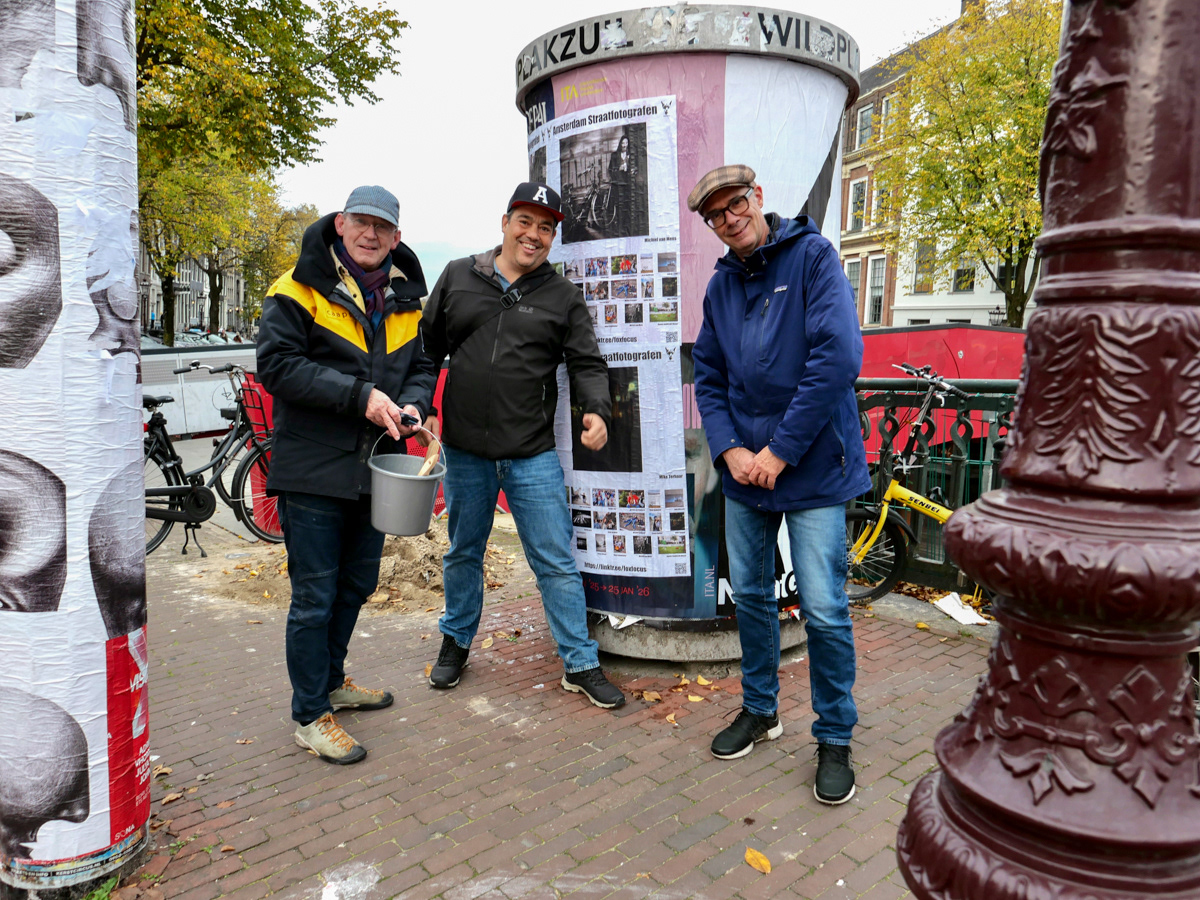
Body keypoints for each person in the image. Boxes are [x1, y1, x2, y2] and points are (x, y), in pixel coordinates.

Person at [688, 164, 871, 804]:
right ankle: (761, 711)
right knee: (754, 601)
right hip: (746, 472)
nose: (729, 219)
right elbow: (707, 374)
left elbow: (838, 359)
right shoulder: (720, 288)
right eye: (716, 215)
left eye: (736, 205)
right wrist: (732, 449)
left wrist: (779, 451)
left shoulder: (814, 257)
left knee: (822, 608)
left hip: (813, 470)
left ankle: (835, 737)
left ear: (758, 197)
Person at [420, 182, 625, 710]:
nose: (534, 235)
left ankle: (579, 663)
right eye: (526, 222)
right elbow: (426, 352)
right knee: (463, 552)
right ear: (505, 222)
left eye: (546, 227)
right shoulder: (459, 277)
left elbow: (586, 362)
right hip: (464, 452)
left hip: (531, 454)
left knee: (555, 560)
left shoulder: (562, 296)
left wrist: (596, 410)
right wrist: (420, 405)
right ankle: (456, 643)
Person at [256, 185, 438, 764]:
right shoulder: (297, 288)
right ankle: (310, 714)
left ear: (397, 238)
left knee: (356, 585)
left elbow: (424, 365)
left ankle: (332, 679)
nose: (370, 234)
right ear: (340, 224)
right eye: (360, 222)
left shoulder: (410, 300)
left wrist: (412, 407)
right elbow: (277, 365)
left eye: (382, 227)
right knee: (314, 596)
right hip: (311, 470)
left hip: (374, 473)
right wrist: (361, 397)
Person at [608, 133, 636, 236]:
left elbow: (635, 168)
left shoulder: (631, 155)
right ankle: (619, 230)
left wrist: (632, 171)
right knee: (619, 207)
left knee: (628, 206)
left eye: (626, 143)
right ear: (620, 143)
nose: (624, 145)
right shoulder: (615, 155)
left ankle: (627, 229)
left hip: (628, 185)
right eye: (623, 143)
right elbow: (610, 170)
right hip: (618, 185)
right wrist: (619, 169)